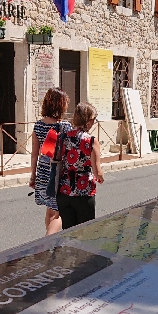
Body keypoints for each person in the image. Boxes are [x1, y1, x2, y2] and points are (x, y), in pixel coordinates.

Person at [29, 87, 70, 235]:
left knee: (49, 210)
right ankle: (47, 243)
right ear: (61, 105)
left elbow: (34, 154)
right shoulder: (65, 126)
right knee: (58, 213)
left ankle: (50, 244)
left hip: (43, 171)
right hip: (58, 173)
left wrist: (33, 175)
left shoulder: (38, 126)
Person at [57, 102, 104, 229]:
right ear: (87, 121)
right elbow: (97, 171)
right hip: (83, 191)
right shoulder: (91, 141)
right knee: (85, 232)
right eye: (93, 119)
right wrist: (101, 178)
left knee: (68, 232)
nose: (94, 122)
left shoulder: (63, 137)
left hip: (64, 190)